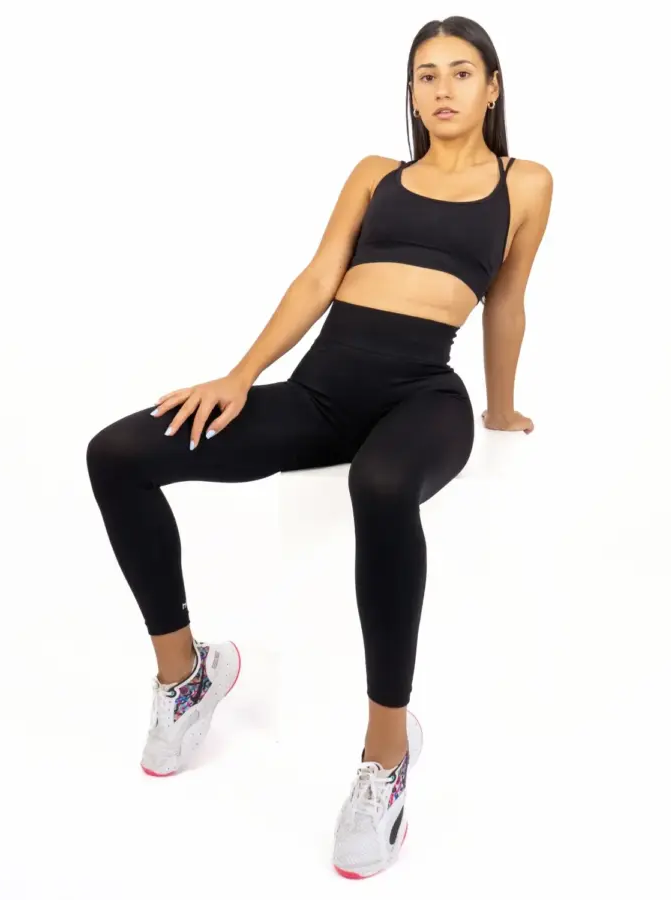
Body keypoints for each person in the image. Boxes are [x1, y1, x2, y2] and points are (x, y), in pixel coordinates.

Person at [86, 15, 553, 880]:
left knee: (380, 487)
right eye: (425, 75)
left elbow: (508, 300)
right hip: (320, 396)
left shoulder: (524, 183)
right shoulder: (376, 174)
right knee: (116, 454)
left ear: (493, 87)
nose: (442, 89)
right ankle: (186, 675)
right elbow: (317, 277)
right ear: (411, 91)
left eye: (460, 72)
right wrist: (240, 376)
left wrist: (502, 409)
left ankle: (387, 754)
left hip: (424, 399)